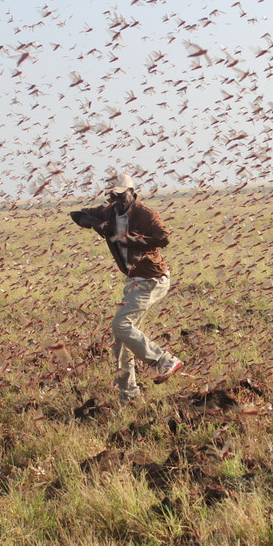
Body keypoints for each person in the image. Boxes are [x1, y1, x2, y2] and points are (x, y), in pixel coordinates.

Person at [70, 173, 183, 405]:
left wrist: (128, 240)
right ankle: (129, 396)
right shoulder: (109, 212)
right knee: (120, 338)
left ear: (132, 192)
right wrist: (97, 224)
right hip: (133, 280)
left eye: (121, 195)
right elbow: (77, 215)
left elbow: (164, 238)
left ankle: (163, 360)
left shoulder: (146, 214)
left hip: (152, 278)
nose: (116, 200)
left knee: (121, 325)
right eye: (113, 195)